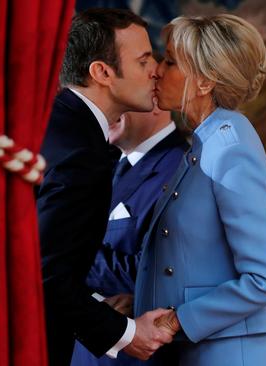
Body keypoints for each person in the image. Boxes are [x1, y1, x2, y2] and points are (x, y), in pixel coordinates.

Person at [133, 14, 266, 365]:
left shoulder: (230, 146)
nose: (157, 70)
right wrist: (139, 300)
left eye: (170, 61)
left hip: (230, 353)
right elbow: (192, 260)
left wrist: (176, 319)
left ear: (203, 82)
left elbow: (265, 280)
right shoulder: (208, 141)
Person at [36, 8, 175, 365]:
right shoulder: (81, 153)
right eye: (144, 60)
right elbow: (47, 275)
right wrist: (127, 334)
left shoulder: (55, 123)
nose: (156, 70)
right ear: (102, 72)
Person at [71, 102, 190, 366]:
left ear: (155, 101)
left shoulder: (182, 170)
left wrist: (65, 253)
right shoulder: (103, 164)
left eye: (121, 100)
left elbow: (157, 271)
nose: (107, 108)